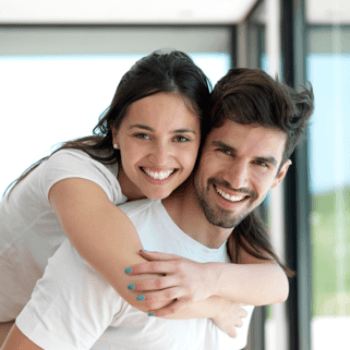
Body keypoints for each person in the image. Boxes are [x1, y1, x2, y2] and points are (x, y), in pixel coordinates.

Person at [1, 67, 314, 350]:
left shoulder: (241, 272)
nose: (237, 179)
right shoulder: (107, 243)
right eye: (225, 151)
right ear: (202, 144)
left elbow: (277, 284)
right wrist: (215, 305)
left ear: (279, 175)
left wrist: (210, 283)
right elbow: (143, 286)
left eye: (261, 163)